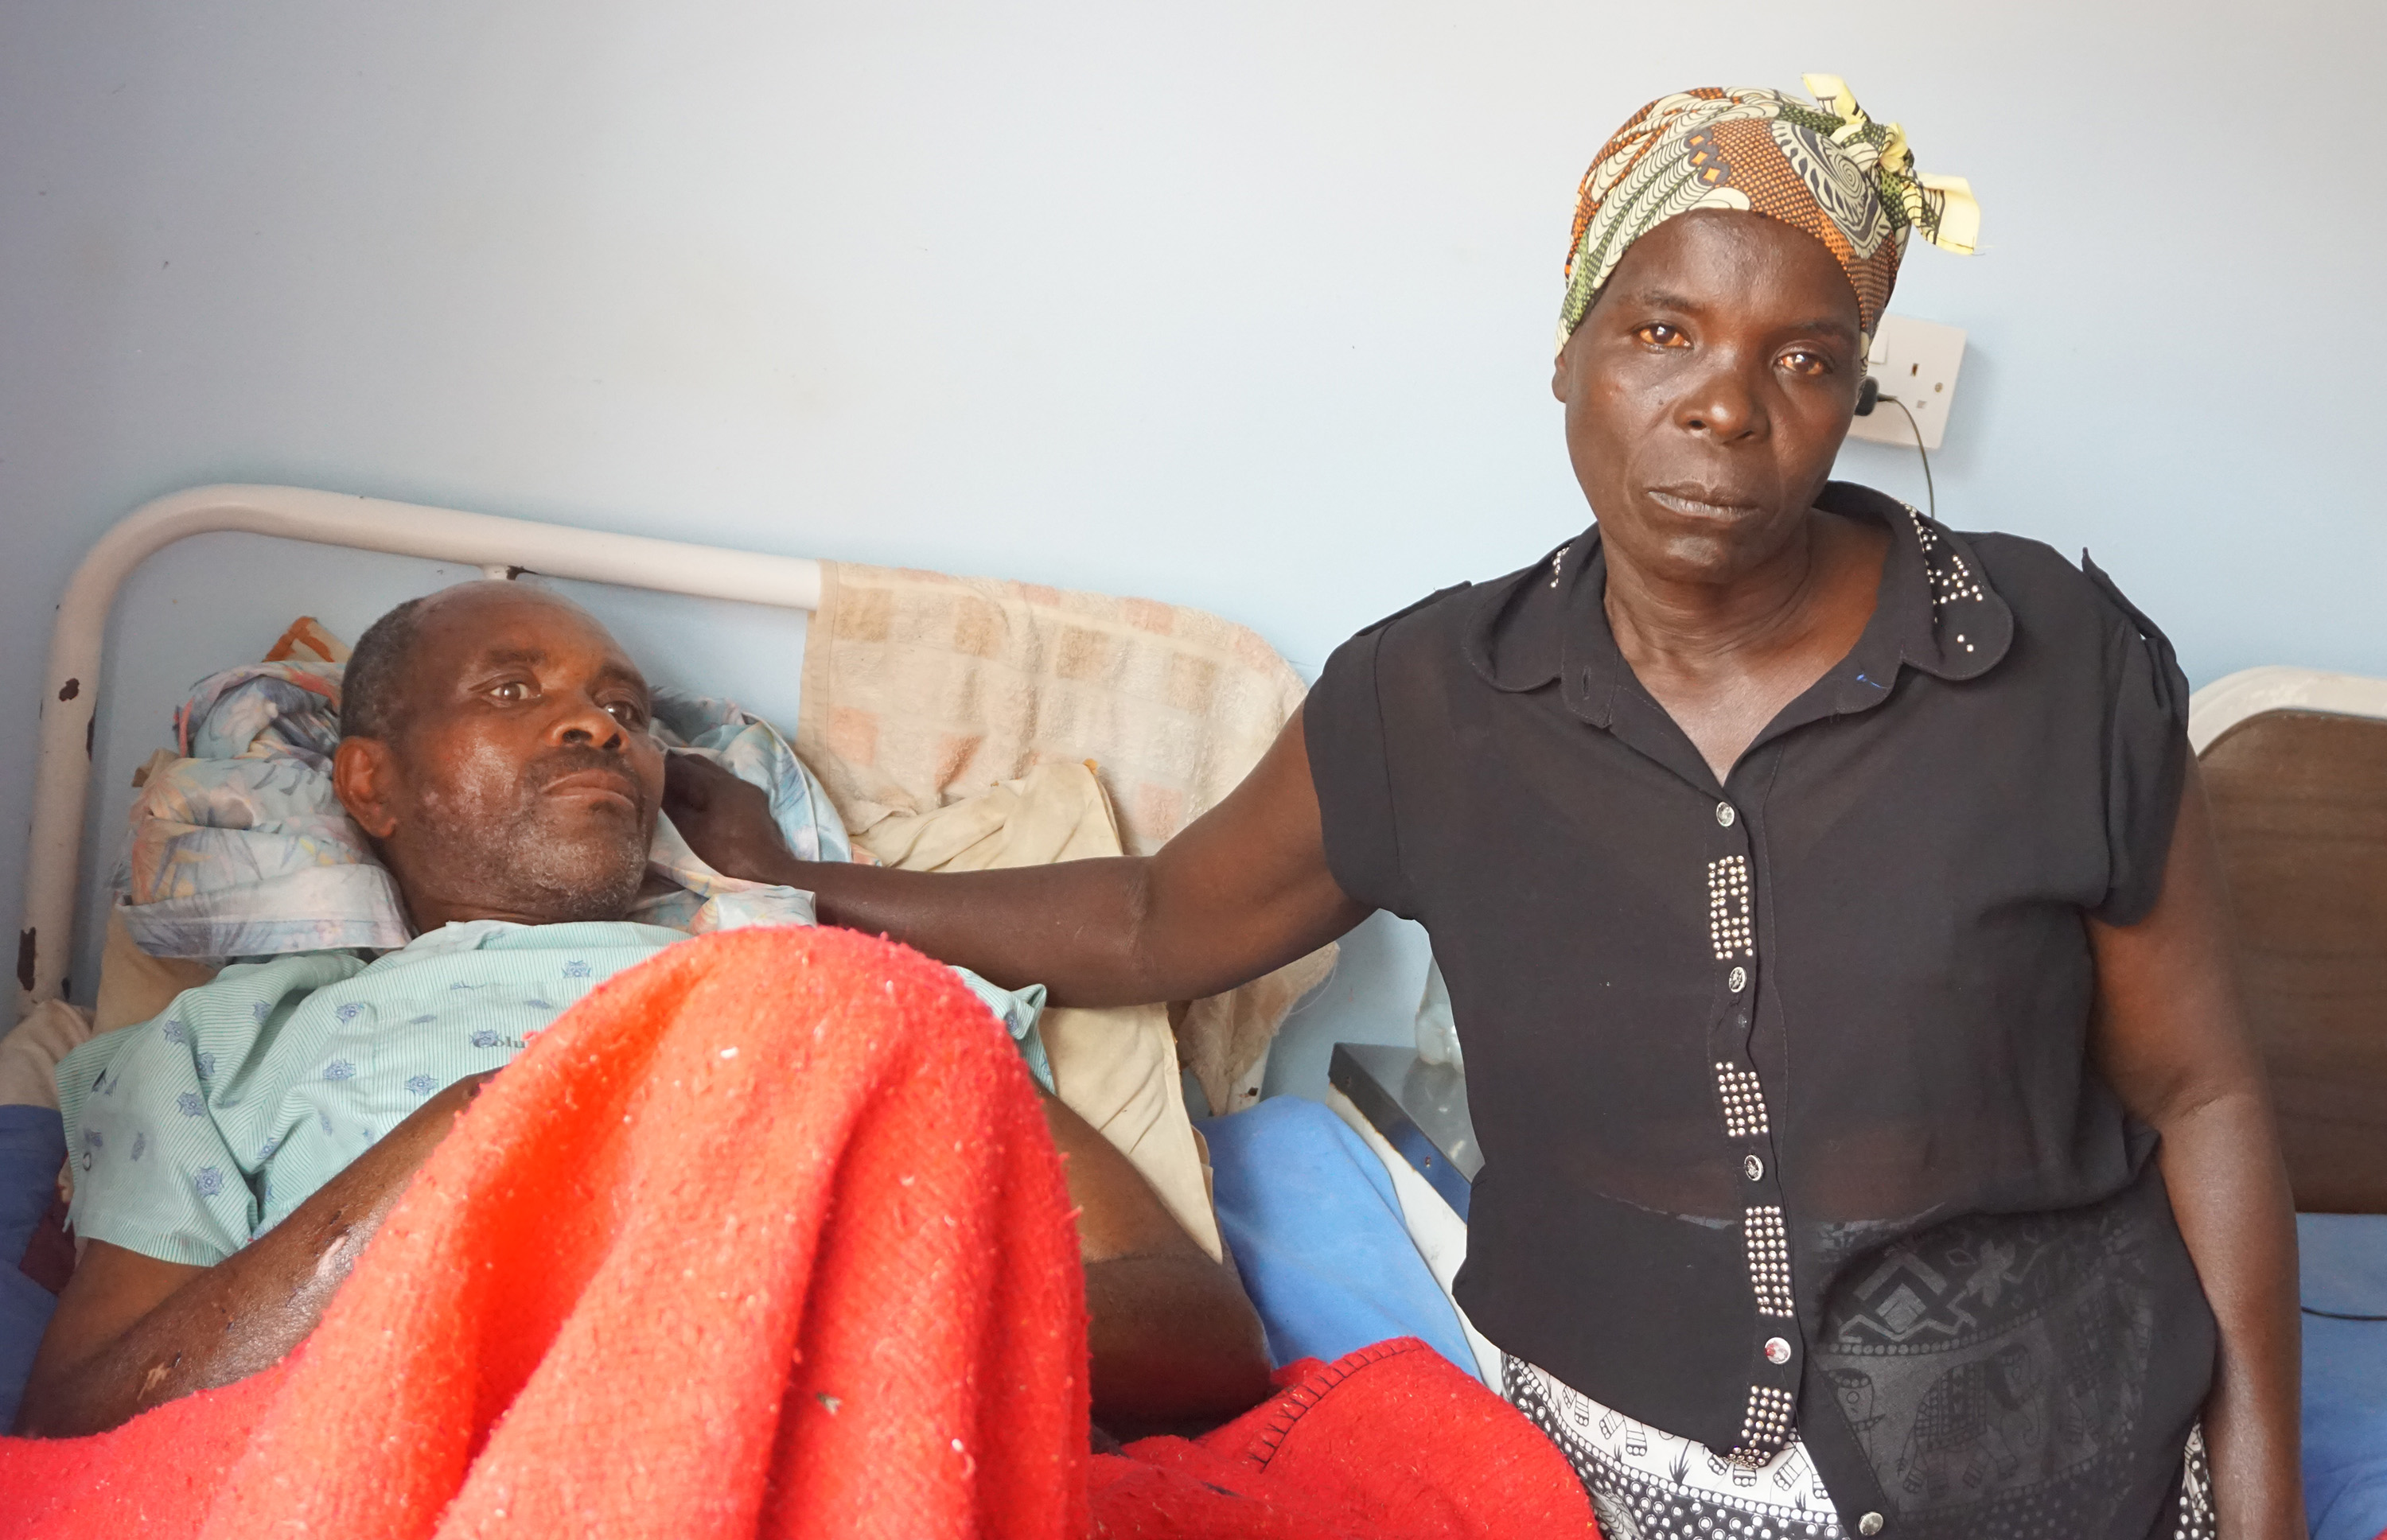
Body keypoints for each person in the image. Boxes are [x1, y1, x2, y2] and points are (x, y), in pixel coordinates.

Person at [659, 79, 2301, 1539]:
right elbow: (1159, 918)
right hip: (1617, 1469)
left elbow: (2205, 1089)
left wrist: (2265, 1503)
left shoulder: (2051, 661)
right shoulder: (1433, 699)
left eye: (1803, 360)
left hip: (2061, 1455)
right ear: (1570, 352)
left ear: (1856, 390)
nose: (1725, 406)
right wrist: (808, 881)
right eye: (1662, 332)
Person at [14, 581, 1268, 1439]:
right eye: (511, 692)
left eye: (626, 712)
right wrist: (475, 1138)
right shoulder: (224, 1046)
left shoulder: (839, 987)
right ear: (369, 784)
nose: (595, 726)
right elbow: (78, 1425)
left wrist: (809, 1310)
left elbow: (1204, 1339)